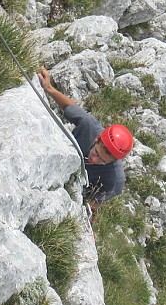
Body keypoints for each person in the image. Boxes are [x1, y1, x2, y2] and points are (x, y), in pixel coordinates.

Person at [37, 66, 134, 212]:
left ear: (113, 161)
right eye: (96, 153)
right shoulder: (89, 127)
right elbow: (69, 107)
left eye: (102, 161)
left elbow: (94, 203)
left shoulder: (113, 180)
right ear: (96, 140)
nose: (95, 160)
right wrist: (49, 89)